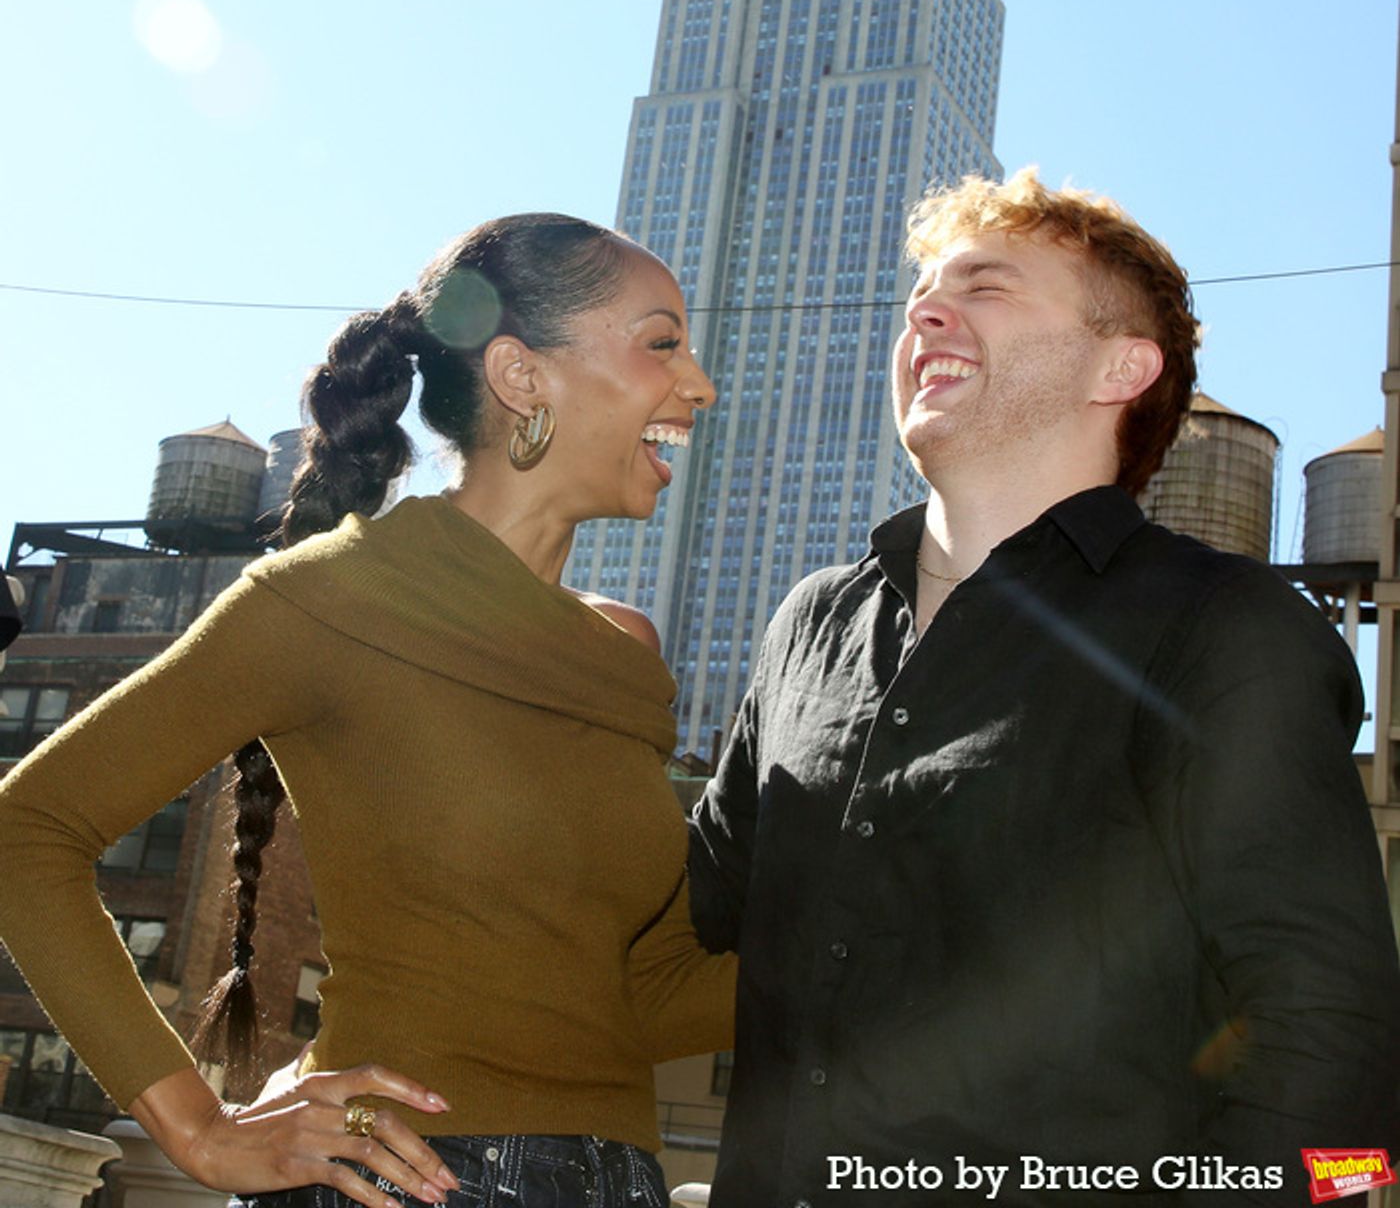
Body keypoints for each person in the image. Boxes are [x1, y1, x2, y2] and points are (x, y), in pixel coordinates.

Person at [689, 169, 1400, 1207]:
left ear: (1120, 366)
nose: (924, 312)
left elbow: (1346, 1071)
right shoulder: (809, 624)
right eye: (919, 295)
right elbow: (671, 911)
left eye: (984, 287)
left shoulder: (1228, 629)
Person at [0, 213, 734, 1208]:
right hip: (402, 1182)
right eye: (662, 344)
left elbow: (642, 993)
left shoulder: (626, 651)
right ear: (521, 375)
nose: (699, 385)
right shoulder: (331, 595)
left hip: (621, 1182)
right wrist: (199, 1129)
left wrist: (905, 942)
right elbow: (27, 831)